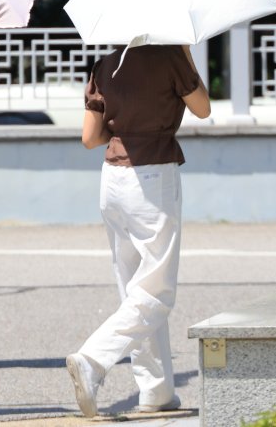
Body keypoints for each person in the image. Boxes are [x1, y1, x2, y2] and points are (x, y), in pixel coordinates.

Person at [65, 44, 211, 417]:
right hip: (153, 177)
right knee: (155, 292)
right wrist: (186, 54)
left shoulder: (106, 65)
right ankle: (94, 359)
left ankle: (156, 390)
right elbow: (203, 108)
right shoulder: (170, 57)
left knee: (135, 289)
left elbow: (89, 138)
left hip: (112, 180)